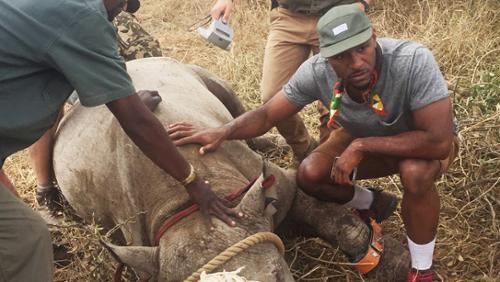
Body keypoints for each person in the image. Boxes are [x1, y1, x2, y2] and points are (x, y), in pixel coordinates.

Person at [169, 4, 458, 281]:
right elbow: (269, 112)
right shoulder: (317, 70)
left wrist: (361, 146)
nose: (356, 63)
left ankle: (421, 268)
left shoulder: (412, 60)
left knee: (415, 174)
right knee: (310, 173)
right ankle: (371, 203)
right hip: (359, 133)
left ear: (374, 37)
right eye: (342, 56)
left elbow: (438, 142)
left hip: (418, 141)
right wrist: (222, 131)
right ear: (326, 56)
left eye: (362, 49)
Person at [0, 0, 240, 280]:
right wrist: (193, 183)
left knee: (27, 233)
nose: (123, 10)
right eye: (124, 2)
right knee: (26, 240)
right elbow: (136, 122)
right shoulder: (82, 17)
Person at [28, 6, 164, 214]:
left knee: (148, 59)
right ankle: (45, 190)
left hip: (105, 20)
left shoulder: (119, 17)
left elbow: (130, 10)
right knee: (48, 104)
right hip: (60, 27)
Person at [210, 0, 374, 161]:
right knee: (272, 95)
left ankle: (328, 162)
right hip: (289, 17)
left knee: (336, 100)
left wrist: (363, 3)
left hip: (337, 15)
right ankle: (304, 151)